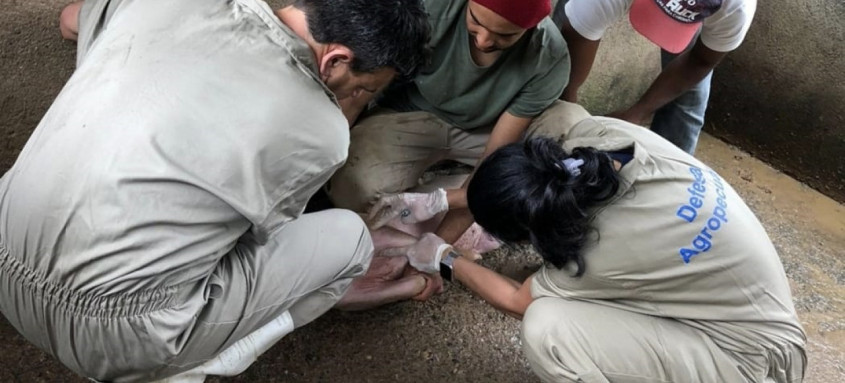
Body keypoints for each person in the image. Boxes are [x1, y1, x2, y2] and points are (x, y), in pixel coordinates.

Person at [0, 0, 431, 381]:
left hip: (4, 252)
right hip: (111, 338)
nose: (355, 100)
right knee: (351, 240)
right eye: (362, 89)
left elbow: (71, 18)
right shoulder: (321, 131)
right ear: (335, 59)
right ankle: (193, 367)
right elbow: (248, 244)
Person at [384, 102, 806, 382]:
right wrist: (446, 198)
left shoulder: (598, 252)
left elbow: (518, 300)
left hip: (753, 365)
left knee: (547, 327)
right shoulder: (601, 136)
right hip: (761, 318)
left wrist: (443, 257)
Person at [328, 0, 572, 247]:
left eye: (505, 35)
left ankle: (470, 199)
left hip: (489, 130)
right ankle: (493, 201)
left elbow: (493, 156)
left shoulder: (548, 56)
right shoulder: (431, 7)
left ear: (532, 27)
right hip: (412, 115)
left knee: (568, 130)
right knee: (354, 188)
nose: (483, 41)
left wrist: (436, 246)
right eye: (475, 21)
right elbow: (361, 88)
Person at [553, 0, 756, 154]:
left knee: (688, 95)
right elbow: (578, 33)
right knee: (556, 55)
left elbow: (701, 61)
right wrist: (567, 109)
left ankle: (673, 173)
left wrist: (637, 113)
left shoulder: (736, 8)